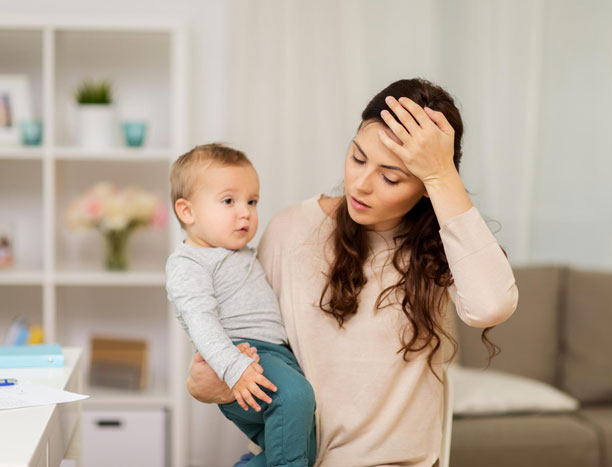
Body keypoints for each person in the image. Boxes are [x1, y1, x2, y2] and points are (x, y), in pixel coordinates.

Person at [186, 78, 519, 466]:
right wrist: (219, 387)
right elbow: (261, 351)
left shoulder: (442, 249)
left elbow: (491, 305)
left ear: (426, 186)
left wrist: (442, 176)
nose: (360, 184)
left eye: (391, 177)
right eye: (358, 157)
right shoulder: (291, 230)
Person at [165, 143, 316, 467]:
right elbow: (200, 321)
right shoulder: (188, 263)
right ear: (187, 211)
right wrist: (235, 368)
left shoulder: (242, 252)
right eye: (228, 201)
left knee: (305, 442)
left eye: (252, 201)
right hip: (243, 357)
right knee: (295, 397)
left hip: (276, 356)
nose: (245, 212)